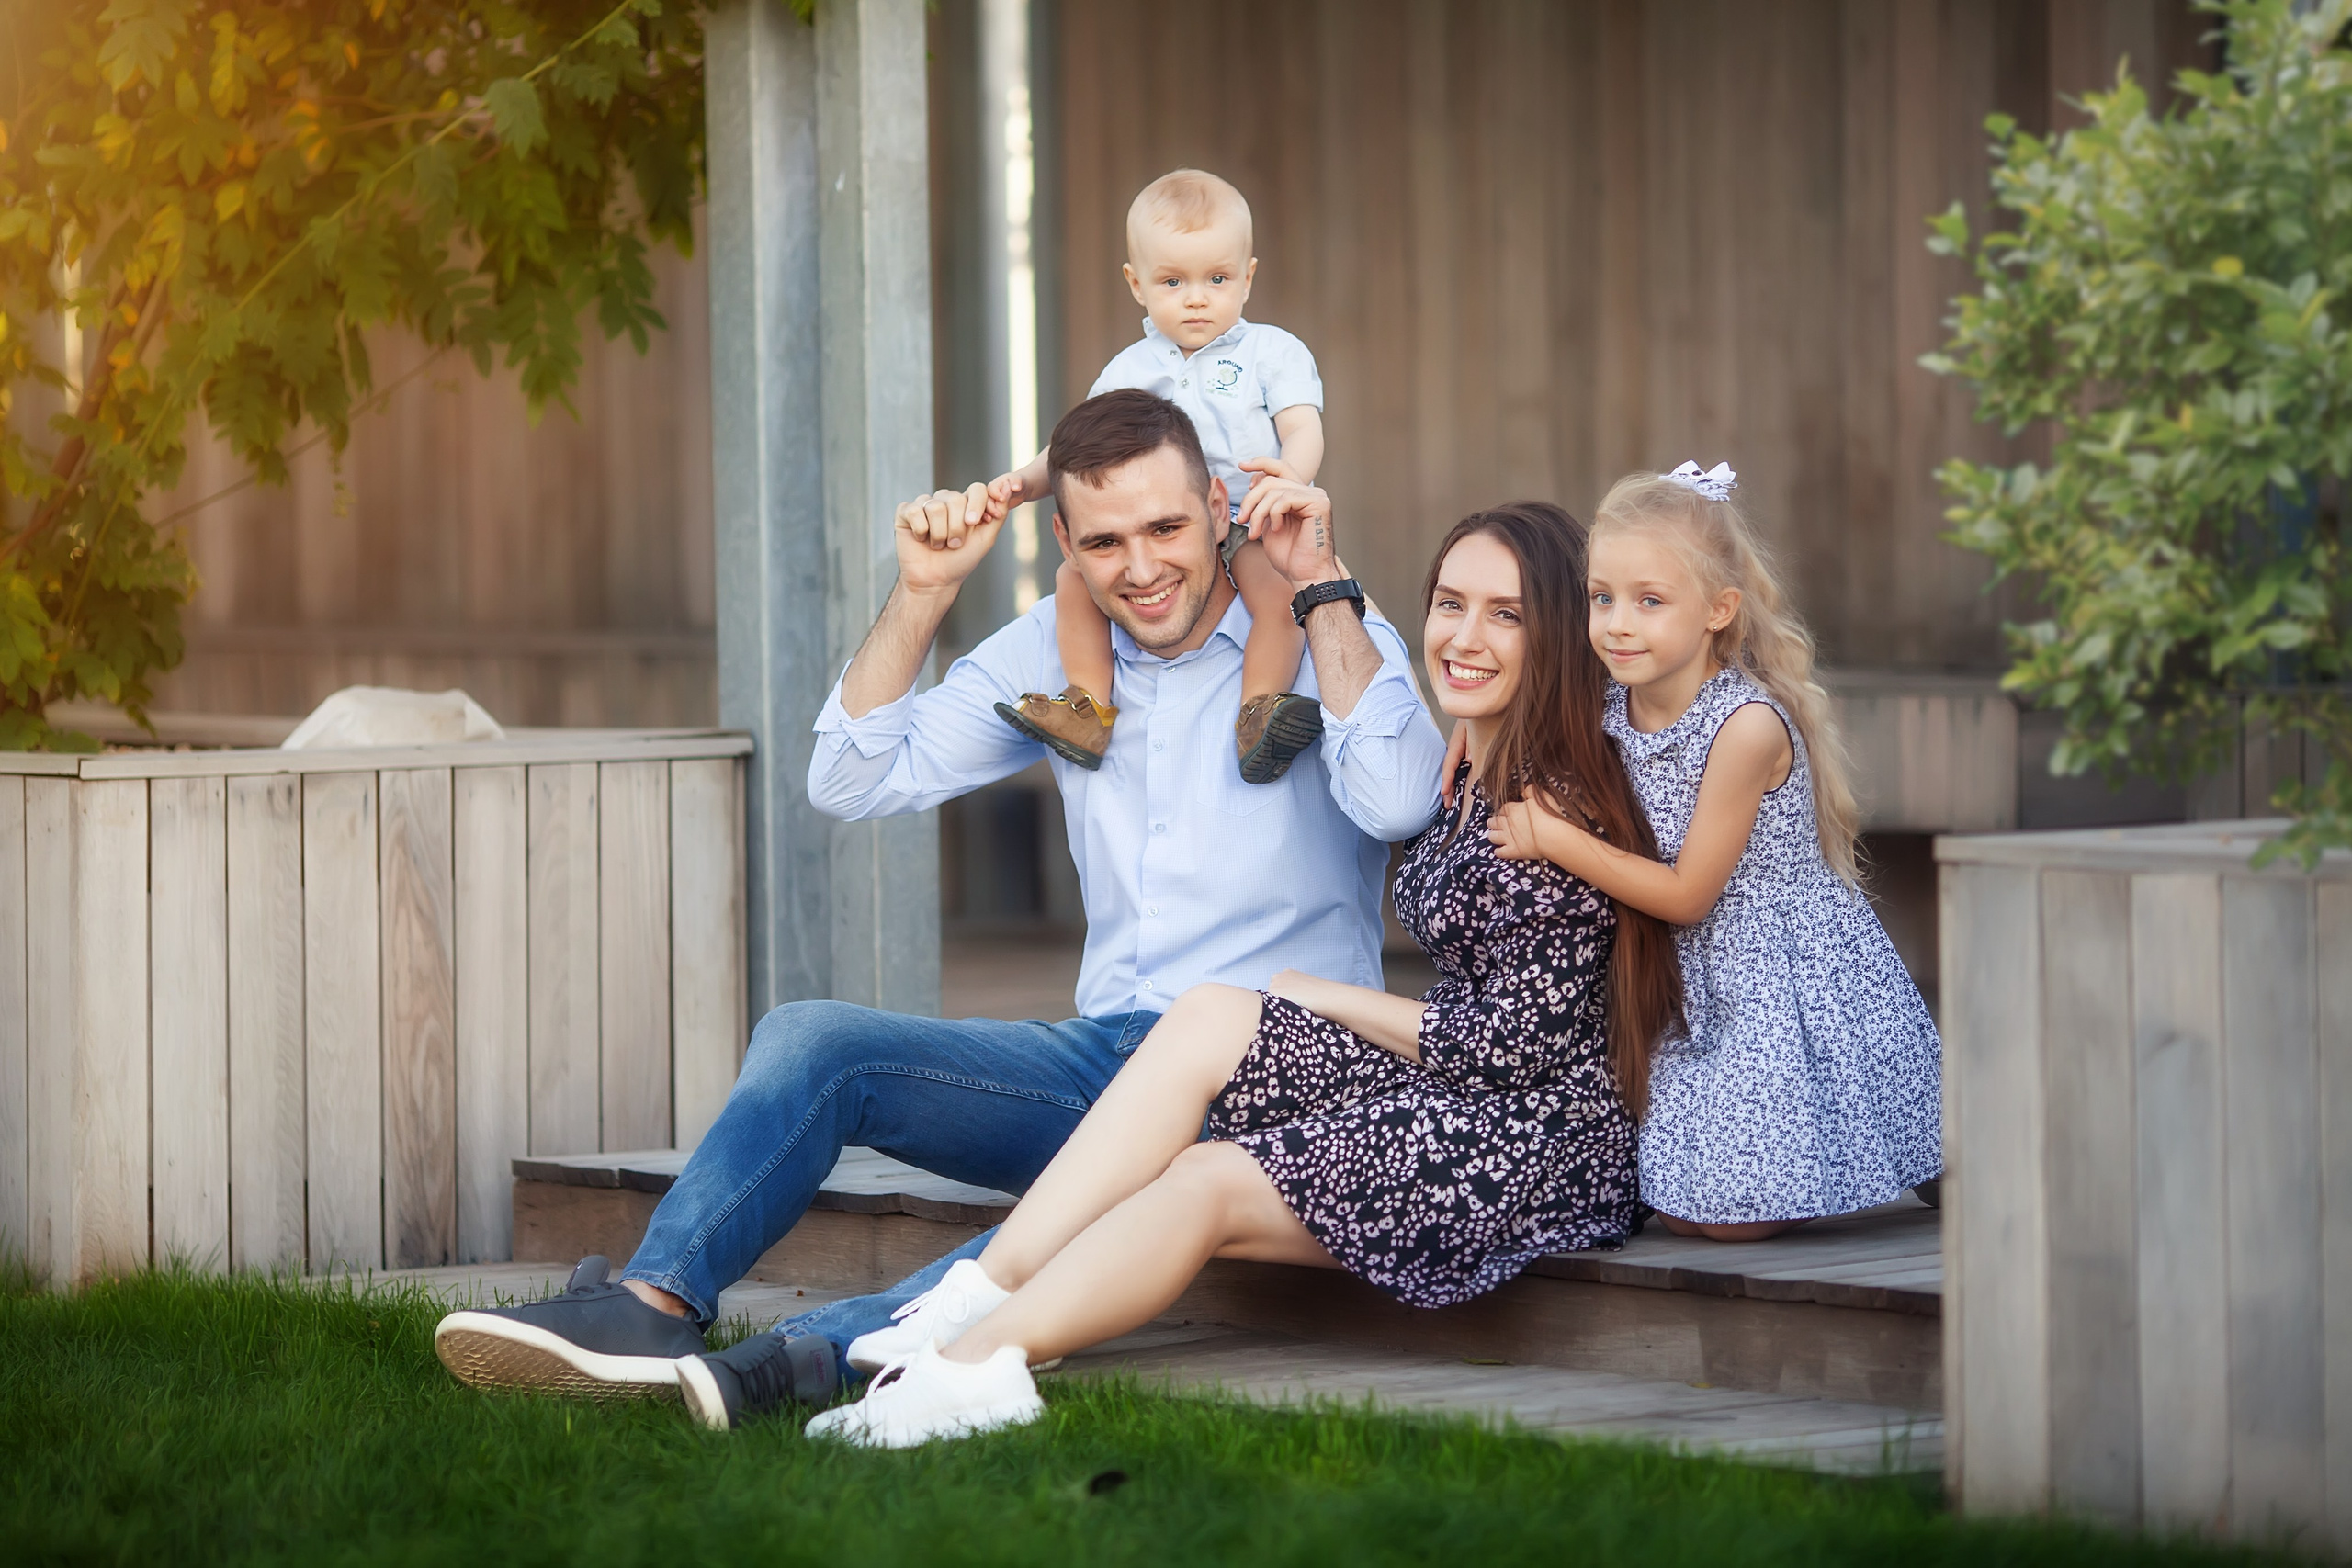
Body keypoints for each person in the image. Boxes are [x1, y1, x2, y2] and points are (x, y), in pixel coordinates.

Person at [431, 389, 1445, 1426]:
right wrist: (923, 593)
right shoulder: (1054, 649)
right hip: (1103, 1058)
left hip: (1278, 1072)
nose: (1140, 568)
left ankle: (806, 1357)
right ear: (1064, 542)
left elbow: (1401, 800)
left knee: (1084, 1213)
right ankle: (652, 1307)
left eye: (1165, 529)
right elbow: (851, 779)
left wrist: (1320, 584)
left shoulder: (1326, 628)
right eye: (1105, 541)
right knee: (813, 1040)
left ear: (1220, 509)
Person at [797, 502, 1685, 1449]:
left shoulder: (1553, 806)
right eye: (1450, 604)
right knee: (1212, 1011)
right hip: (1465, 1088)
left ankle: (973, 1367)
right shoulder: (1476, 764)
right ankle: (975, 1293)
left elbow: (1509, 1046)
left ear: (1561, 634)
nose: (1464, 637)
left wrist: (1321, 994)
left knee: (1209, 1176)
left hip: (1540, 1142)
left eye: (1506, 615)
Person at [1484, 462, 1942, 1241]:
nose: (1617, 623)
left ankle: (1931, 1160)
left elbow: (1689, 894)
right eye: (1602, 597)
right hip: (1695, 983)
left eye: (1650, 601)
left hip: (1779, 968)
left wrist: (1553, 838)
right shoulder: (1611, 704)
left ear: (1718, 611)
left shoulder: (1744, 727)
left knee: (1746, 1216)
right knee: (1680, 1212)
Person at [989, 168, 1329, 784]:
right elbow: (1074, 448)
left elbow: (1303, 426)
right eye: (1173, 281)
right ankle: (1086, 706)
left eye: (1217, 279)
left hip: (1253, 517)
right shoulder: (1130, 368)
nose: (1197, 298)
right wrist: (1021, 484)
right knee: (1072, 581)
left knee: (1278, 598)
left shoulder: (1270, 352)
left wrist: (1291, 479)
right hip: (1159, 524)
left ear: (1248, 277)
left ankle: (1259, 713)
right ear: (1136, 284)